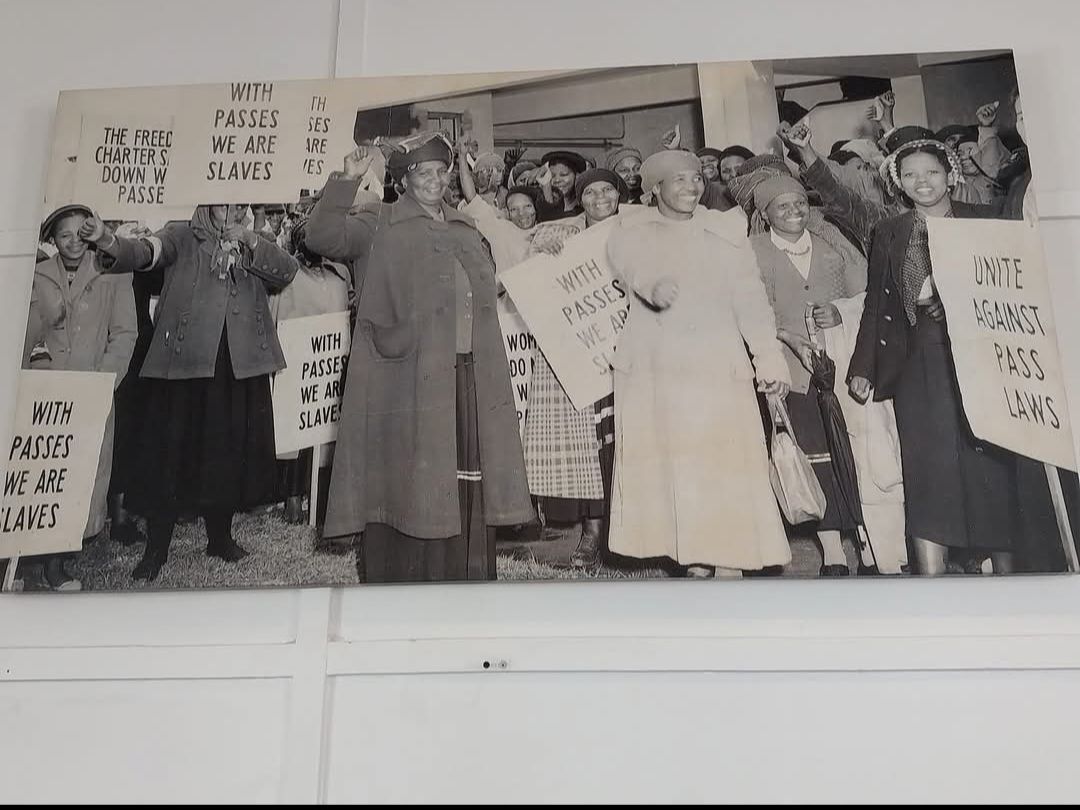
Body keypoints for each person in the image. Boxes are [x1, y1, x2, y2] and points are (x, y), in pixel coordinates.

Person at [304, 135, 534, 582]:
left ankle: (462, 575)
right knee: (411, 481)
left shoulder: (467, 228)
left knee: (463, 475)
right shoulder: (379, 221)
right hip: (407, 379)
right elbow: (322, 236)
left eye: (441, 171)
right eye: (422, 172)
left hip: (467, 374)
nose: (434, 180)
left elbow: (481, 290)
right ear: (403, 178)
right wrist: (345, 182)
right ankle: (408, 578)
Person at [606, 150, 792, 577]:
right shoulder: (631, 230)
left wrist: (768, 357)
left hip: (715, 368)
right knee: (679, 466)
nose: (692, 187)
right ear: (655, 189)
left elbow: (749, 296)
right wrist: (651, 283)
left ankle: (730, 559)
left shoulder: (723, 229)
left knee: (723, 464)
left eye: (695, 179)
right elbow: (631, 266)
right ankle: (695, 554)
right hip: (661, 374)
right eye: (679, 180)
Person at [847, 127, 1020, 575]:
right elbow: (877, 302)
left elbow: (1008, 289)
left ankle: (1006, 572)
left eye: (931, 171)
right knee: (926, 468)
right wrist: (863, 365)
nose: (922, 181)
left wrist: (961, 300)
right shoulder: (888, 231)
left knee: (989, 466)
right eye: (909, 174)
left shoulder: (985, 218)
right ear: (897, 181)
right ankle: (932, 573)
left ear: (950, 174)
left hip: (978, 360)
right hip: (915, 363)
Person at [106, 203, 299, 582]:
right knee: (171, 459)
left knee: (227, 456)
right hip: (186, 366)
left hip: (238, 366)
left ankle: (220, 538)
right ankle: (156, 548)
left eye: (240, 203)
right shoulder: (181, 234)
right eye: (224, 201)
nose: (232, 209)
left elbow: (286, 272)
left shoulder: (253, 239)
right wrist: (107, 240)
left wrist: (250, 240)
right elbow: (145, 253)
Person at [749, 176, 888, 576]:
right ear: (765, 214)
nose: (794, 212)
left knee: (855, 453)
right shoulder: (753, 252)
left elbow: (867, 292)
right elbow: (750, 310)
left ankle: (869, 545)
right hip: (790, 372)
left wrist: (841, 310)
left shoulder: (831, 242)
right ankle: (833, 553)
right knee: (813, 456)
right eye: (782, 206)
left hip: (842, 363)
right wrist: (786, 336)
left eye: (799, 204)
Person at [23, 205, 137, 590]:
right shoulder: (35, 275)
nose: (73, 242)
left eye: (80, 234)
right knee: (41, 471)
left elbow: (124, 334)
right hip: (42, 393)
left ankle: (57, 562)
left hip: (92, 392)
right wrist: (36, 369)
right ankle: (26, 559)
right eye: (63, 235)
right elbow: (26, 330)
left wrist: (104, 379)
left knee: (78, 475)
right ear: (51, 239)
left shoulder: (114, 274)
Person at [522, 168, 628, 571]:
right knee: (591, 446)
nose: (600, 198)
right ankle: (593, 534)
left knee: (631, 443)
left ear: (619, 194)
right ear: (579, 200)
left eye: (608, 190)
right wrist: (543, 249)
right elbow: (537, 284)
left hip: (634, 352)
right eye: (591, 192)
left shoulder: (638, 228)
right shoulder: (563, 235)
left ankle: (634, 536)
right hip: (589, 356)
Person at [269, 219, 354, 527]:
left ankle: (314, 494)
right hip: (294, 362)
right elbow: (272, 312)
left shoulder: (339, 273)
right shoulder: (286, 272)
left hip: (328, 363)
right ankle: (291, 498)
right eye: (307, 238)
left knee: (322, 431)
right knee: (295, 434)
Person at [535, 150, 587, 222]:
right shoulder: (538, 207)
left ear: (577, 176)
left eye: (563, 175)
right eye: (552, 176)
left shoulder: (585, 208)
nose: (557, 180)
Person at [700, 145, 755, 212]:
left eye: (739, 169)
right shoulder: (715, 191)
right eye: (726, 171)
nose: (733, 174)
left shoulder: (763, 189)